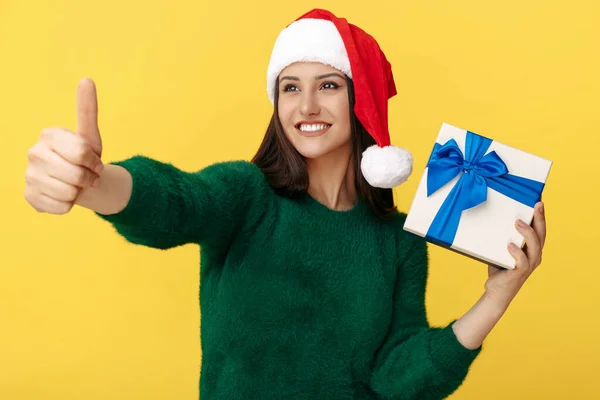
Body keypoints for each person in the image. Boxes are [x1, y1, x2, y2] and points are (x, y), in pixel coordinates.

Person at [24, 8, 547, 400]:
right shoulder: (247, 196)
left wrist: (497, 297)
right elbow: (178, 202)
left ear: (359, 102)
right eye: (290, 87)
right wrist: (97, 184)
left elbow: (397, 376)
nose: (307, 106)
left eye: (329, 85)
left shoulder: (400, 240)